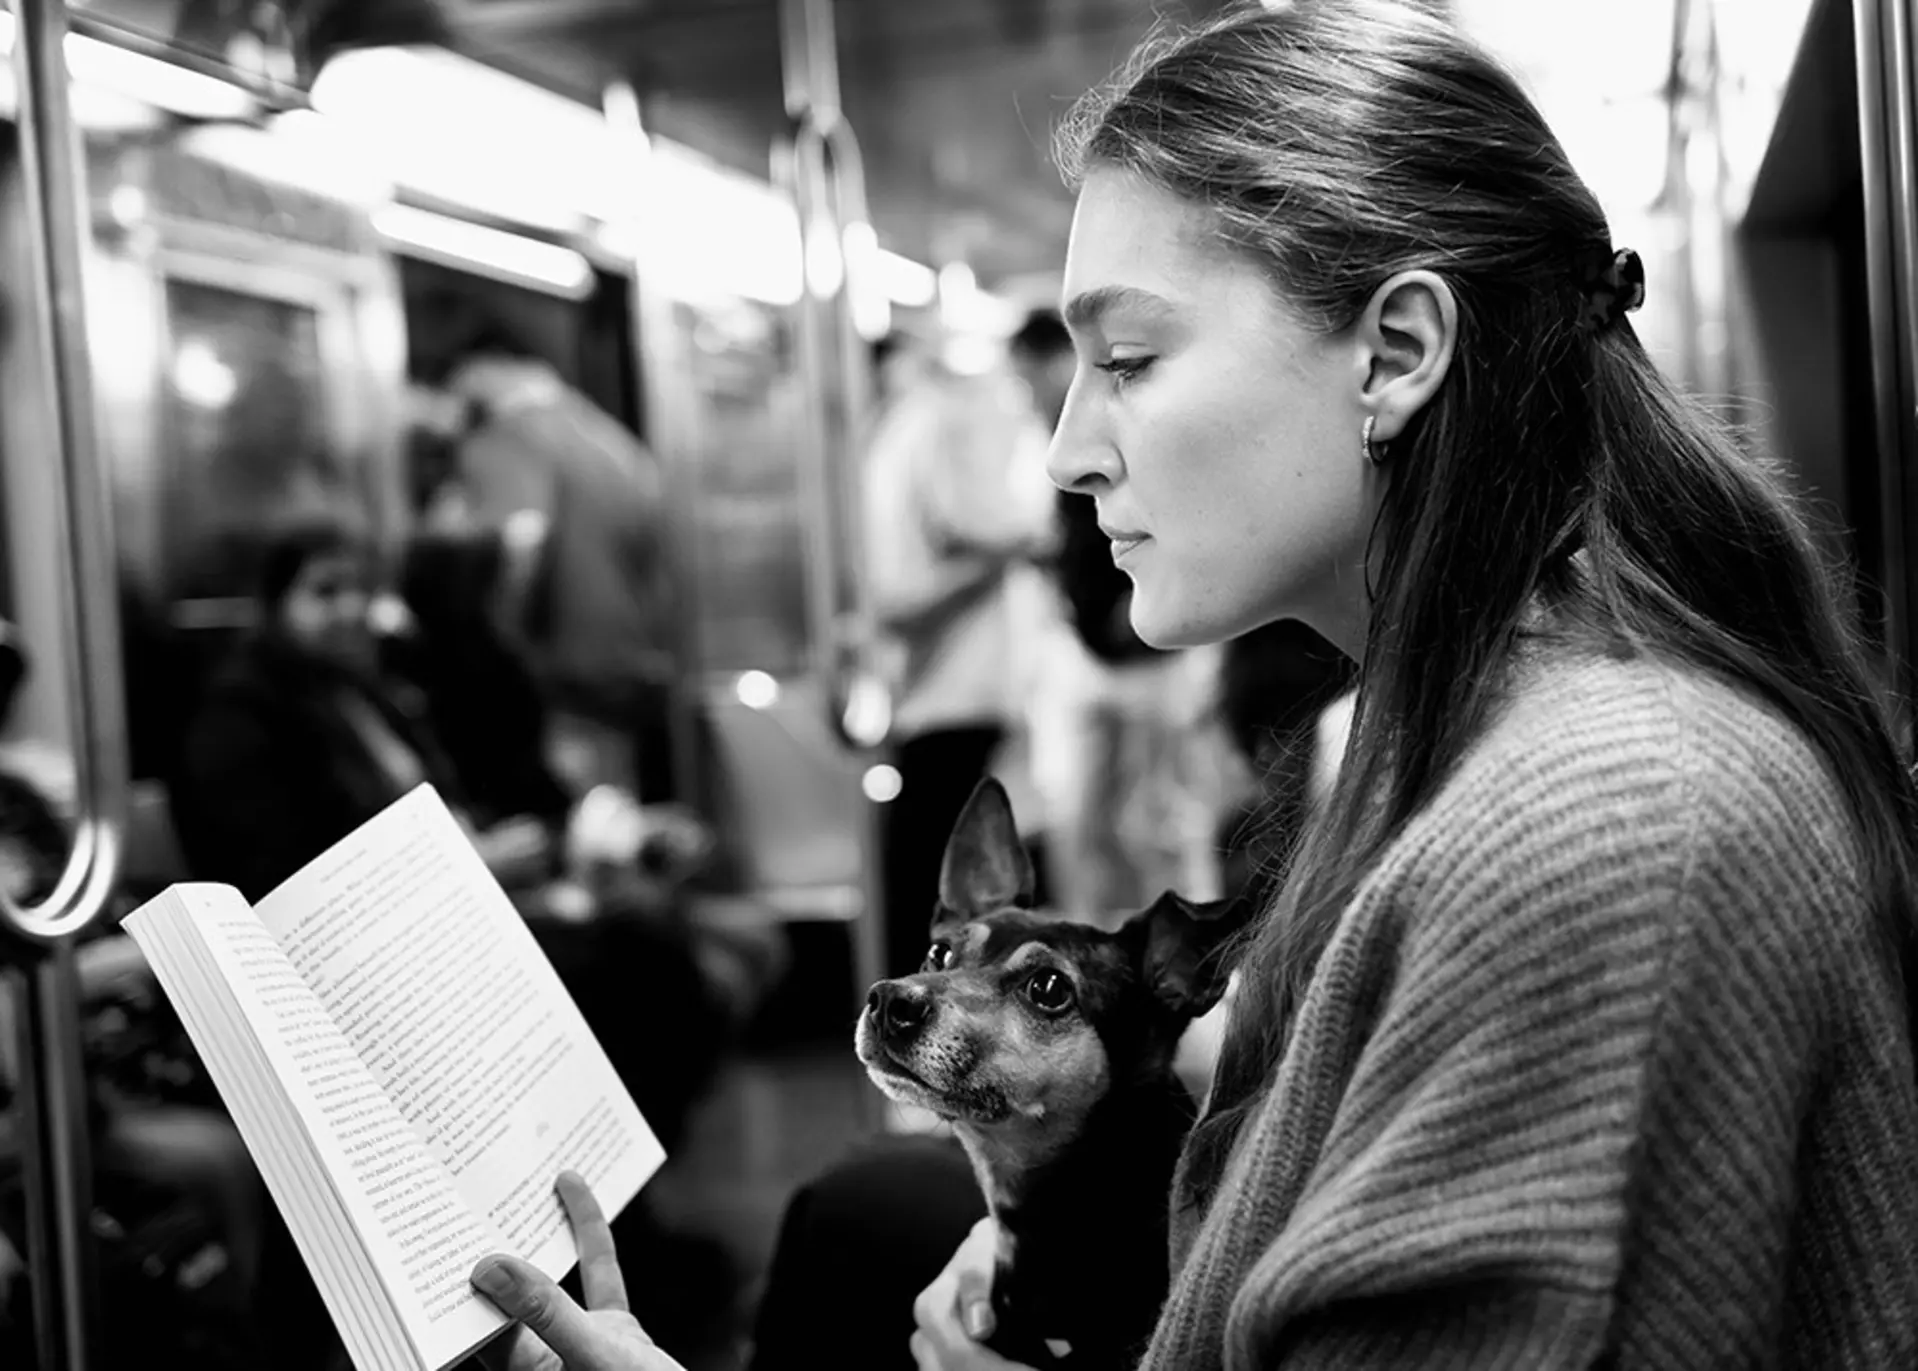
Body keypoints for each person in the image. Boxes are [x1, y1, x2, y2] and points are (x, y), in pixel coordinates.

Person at [468, 2, 1918, 1367]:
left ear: (1396, 352)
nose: (1064, 451)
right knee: (867, 1204)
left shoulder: (1605, 826)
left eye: (1130, 357)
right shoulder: (1445, 717)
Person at [862, 331, 1057, 976]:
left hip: (936, 699)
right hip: (950, 697)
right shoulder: (935, 426)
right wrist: (1022, 540)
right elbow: (979, 525)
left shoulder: (897, 433)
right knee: (946, 887)